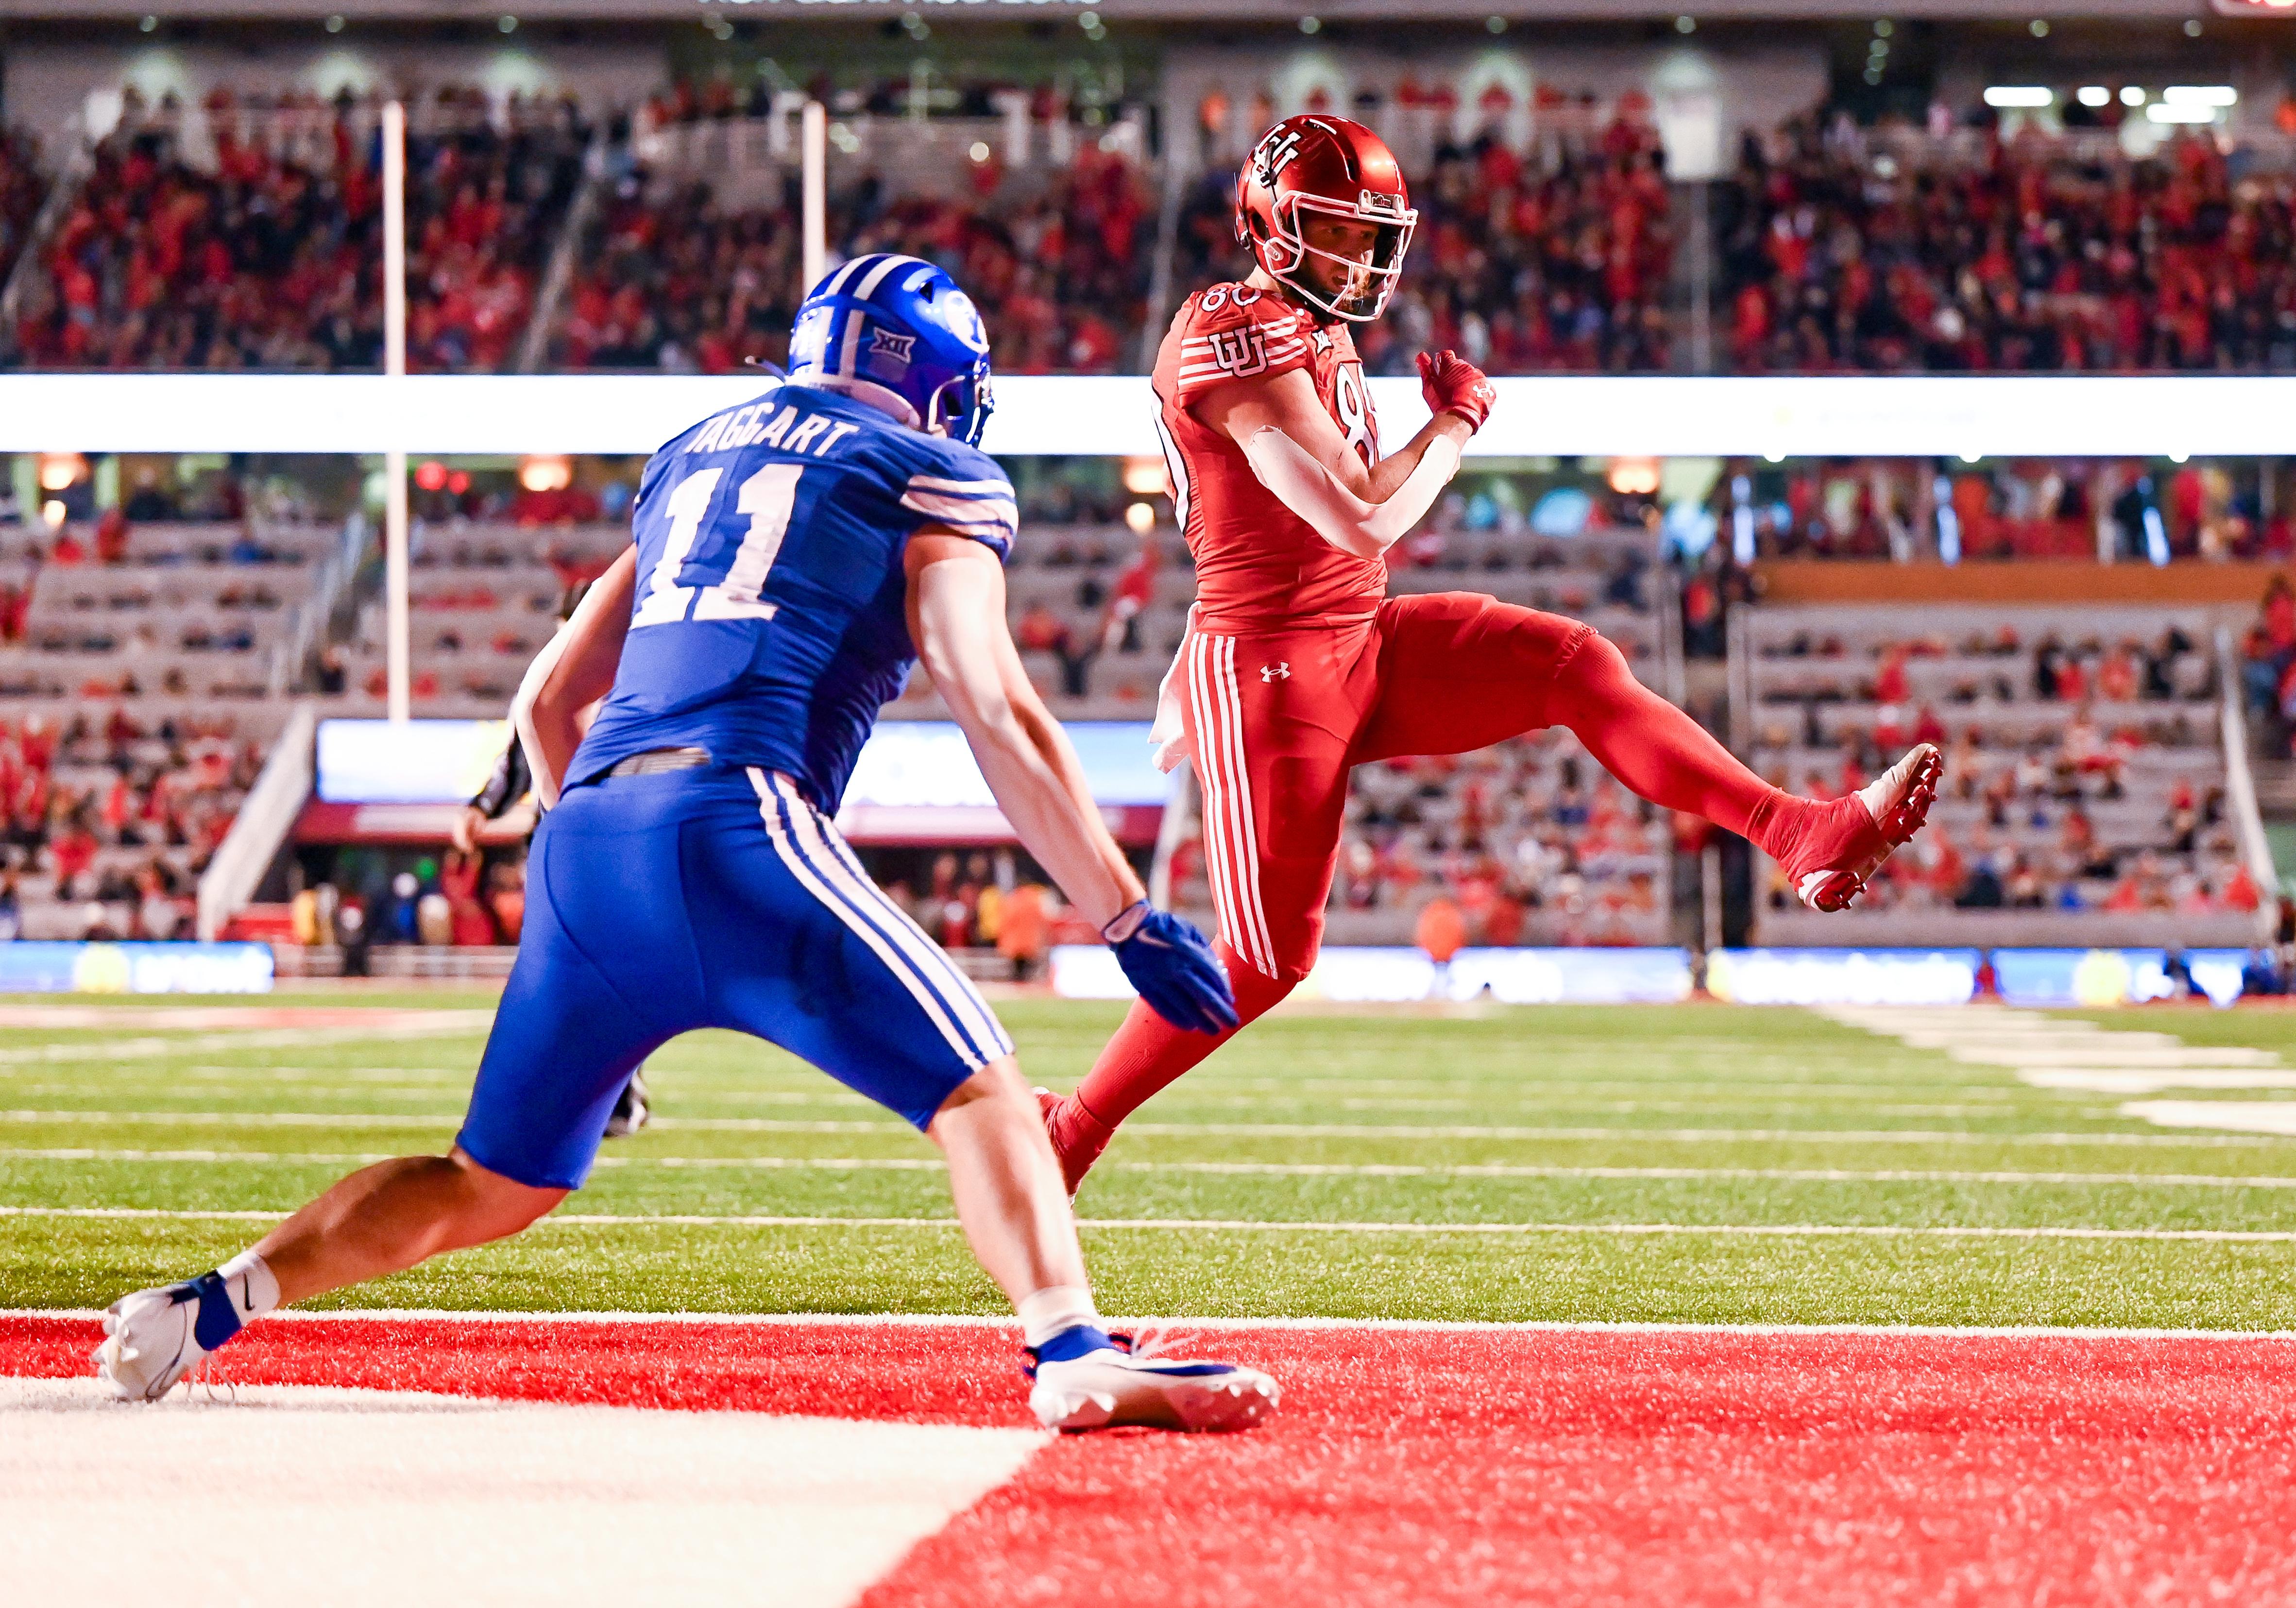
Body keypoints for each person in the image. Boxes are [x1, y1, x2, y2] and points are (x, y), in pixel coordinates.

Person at [96, 255, 1274, 1435]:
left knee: (488, 1180)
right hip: (738, 819)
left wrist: (598, 927)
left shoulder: (696, 453)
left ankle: (208, 1304)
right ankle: (1070, 1347)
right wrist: (1121, 908)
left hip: (591, 839)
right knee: (983, 1092)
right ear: (937, 383)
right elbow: (992, 699)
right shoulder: (927, 469)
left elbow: (553, 698)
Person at [1038, 116, 1942, 1191]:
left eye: (1374, 235)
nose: (1362, 259)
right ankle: (1077, 1126)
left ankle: (1803, 832)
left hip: (1356, 638)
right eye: (1337, 234)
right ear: (1273, 226)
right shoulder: (1230, 331)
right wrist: (1455, 426)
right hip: (1272, 668)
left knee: (1573, 664)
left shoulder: (1313, 326)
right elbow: (1355, 516)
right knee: (1268, 959)